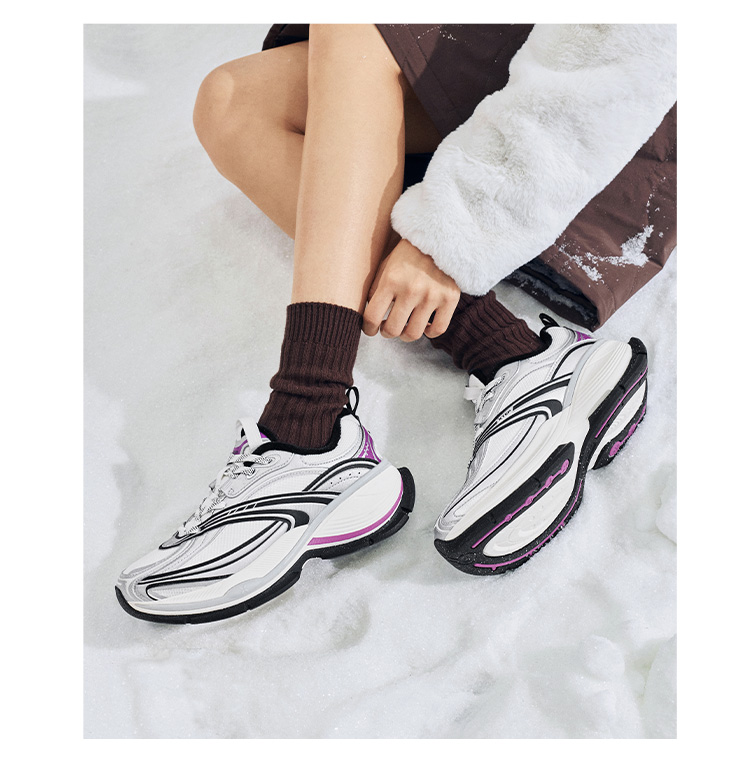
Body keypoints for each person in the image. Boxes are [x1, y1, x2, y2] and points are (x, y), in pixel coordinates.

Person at [115, 24, 676, 623]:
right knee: (233, 103)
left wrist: (454, 231)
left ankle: (306, 423)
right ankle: (513, 353)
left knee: (353, 23)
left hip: (598, 114)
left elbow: (622, 46)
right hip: (493, 68)